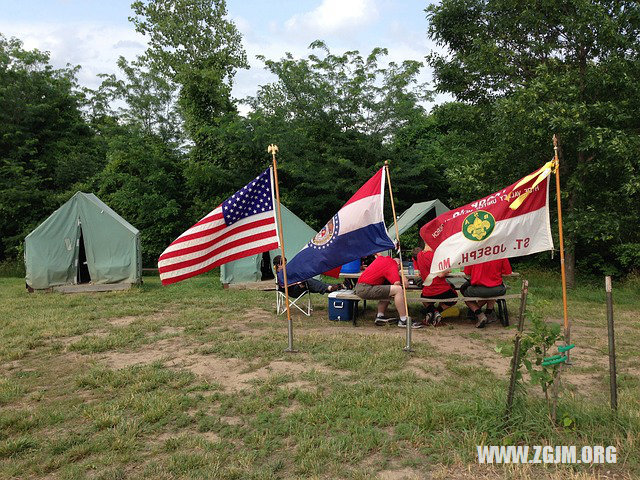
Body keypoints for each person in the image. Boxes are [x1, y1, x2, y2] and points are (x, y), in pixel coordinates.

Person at [355, 253, 420, 329]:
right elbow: (398, 284)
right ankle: (403, 320)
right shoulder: (392, 264)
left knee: (388, 288)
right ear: (398, 264)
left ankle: (380, 316)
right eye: (400, 268)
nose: (398, 269)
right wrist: (401, 274)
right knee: (398, 290)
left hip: (360, 287)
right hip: (366, 289)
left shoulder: (383, 259)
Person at [462, 258, 512, 328]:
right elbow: (507, 273)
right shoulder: (500, 253)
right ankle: (489, 313)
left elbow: (467, 273)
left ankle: (479, 314)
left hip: (479, 288)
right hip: (497, 289)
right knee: (491, 292)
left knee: (466, 294)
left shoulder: (474, 254)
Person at [415, 242, 458, 326]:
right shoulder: (435, 256)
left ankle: (431, 313)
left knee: (423, 298)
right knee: (454, 297)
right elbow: (441, 274)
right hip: (442, 290)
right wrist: (447, 269)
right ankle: (437, 312)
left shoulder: (419, 255)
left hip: (427, 291)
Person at [273, 256, 343, 297]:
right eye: (284, 264)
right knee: (309, 281)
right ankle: (332, 287)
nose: (286, 265)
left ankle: (338, 287)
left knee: (313, 284)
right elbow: (283, 286)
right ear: (279, 265)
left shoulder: (286, 271)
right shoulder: (279, 275)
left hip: (301, 286)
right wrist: (297, 283)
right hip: (293, 291)